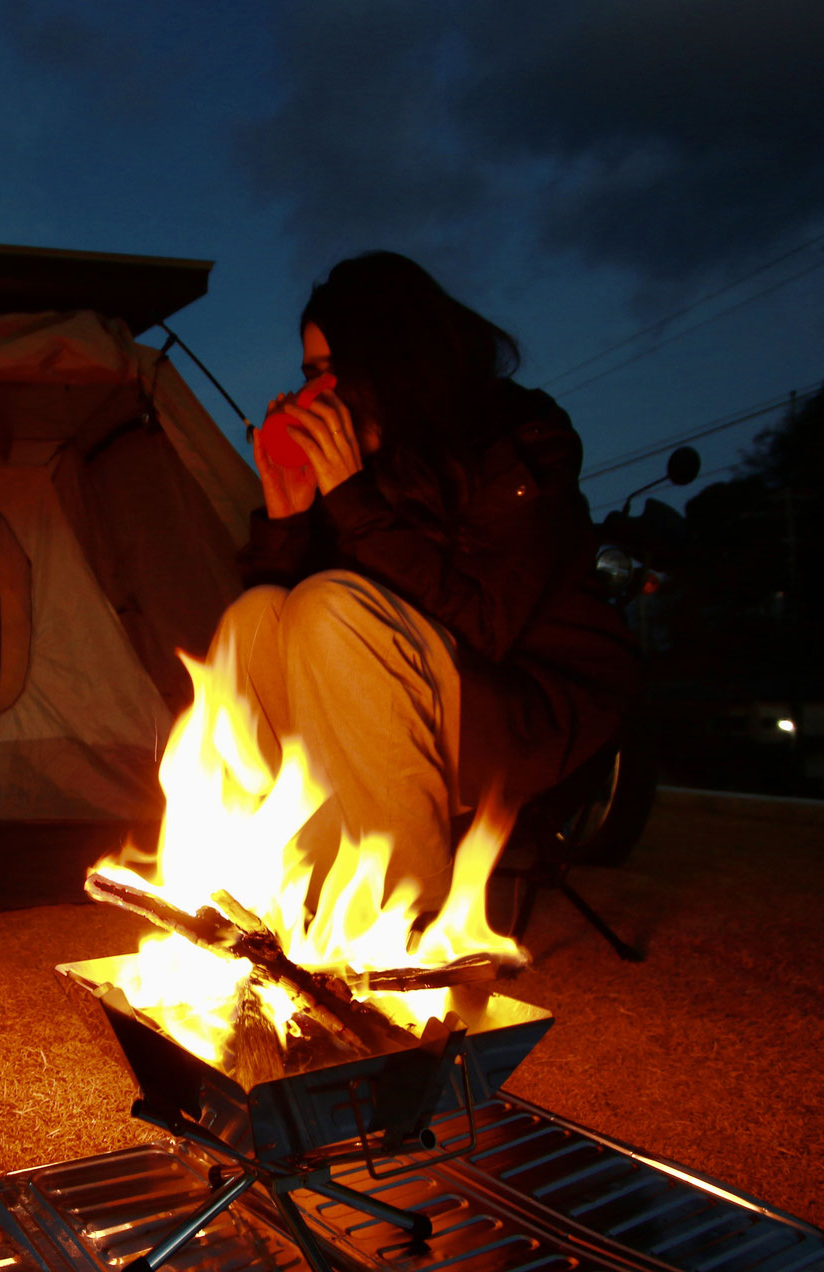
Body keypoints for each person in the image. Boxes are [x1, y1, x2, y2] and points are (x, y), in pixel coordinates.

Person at [217, 251, 639, 912]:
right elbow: (287, 638)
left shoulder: (517, 440)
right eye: (307, 375)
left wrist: (354, 502)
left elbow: (485, 623)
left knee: (328, 607)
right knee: (258, 616)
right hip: (396, 697)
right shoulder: (360, 467)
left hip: (525, 703)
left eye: (330, 372)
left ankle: (396, 919)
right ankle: (279, 894)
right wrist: (289, 518)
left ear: (389, 363)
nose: (310, 395)